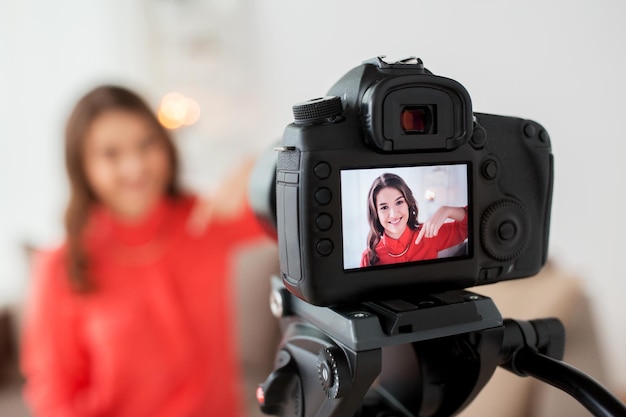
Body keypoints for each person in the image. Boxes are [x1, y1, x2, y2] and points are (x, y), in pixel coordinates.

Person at [20, 85, 277, 417]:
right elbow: (52, 394)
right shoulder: (60, 265)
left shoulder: (206, 221)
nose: (134, 167)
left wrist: (265, 165)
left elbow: (300, 212)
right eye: (111, 154)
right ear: (82, 166)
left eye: (146, 144)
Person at [360, 173, 468, 267]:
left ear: (408, 203)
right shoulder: (368, 258)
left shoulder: (427, 235)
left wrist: (447, 210)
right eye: (384, 207)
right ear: (376, 214)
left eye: (399, 202)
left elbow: (474, 225)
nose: (393, 214)